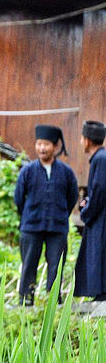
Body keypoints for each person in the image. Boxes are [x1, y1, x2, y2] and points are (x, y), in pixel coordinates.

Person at [14, 125, 78, 304]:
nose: (42, 148)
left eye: (46, 144)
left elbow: (72, 197)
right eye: (39, 144)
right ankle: (26, 300)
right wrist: (27, 215)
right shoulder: (27, 170)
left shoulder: (66, 172)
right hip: (31, 226)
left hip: (57, 227)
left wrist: (61, 213)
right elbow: (18, 198)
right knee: (28, 264)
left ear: (55, 147)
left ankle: (53, 301)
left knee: (56, 266)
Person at [74, 120, 106, 301]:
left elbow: (100, 189)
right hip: (99, 215)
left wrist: (87, 212)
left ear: (86, 140)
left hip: (100, 218)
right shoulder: (100, 158)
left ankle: (101, 294)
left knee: (99, 253)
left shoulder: (100, 159)